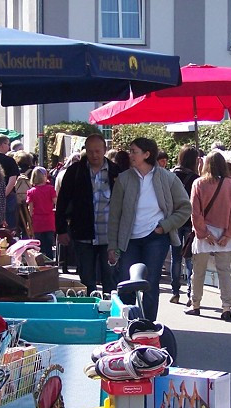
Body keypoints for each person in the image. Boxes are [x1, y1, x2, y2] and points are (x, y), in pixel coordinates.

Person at [107, 137, 191, 321]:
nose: (130, 155)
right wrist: (112, 246)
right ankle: (125, 325)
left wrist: (165, 226)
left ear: (147, 154)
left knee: (150, 283)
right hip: (129, 239)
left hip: (156, 237)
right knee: (126, 283)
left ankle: (147, 327)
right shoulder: (124, 179)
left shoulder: (167, 178)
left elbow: (186, 207)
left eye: (134, 151)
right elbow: (114, 215)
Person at [55, 134, 122, 294]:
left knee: (110, 277)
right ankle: (90, 308)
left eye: (98, 151)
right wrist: (61, 229)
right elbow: (62, 201)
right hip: (83, 233)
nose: (94, 155)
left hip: (110, 236)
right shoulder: (74, 171)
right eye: (90, 151)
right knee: (86, 278)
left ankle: (110, 311)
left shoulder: (116, 171)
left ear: (105, 150)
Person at [185, 151, 231, 321]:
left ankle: (196, 304)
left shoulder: (198, 183)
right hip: (224, 231)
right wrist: (228, 234)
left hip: (204, 233)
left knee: (198, 271)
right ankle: (226, 307)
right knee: (224, 271)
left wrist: (204, 233)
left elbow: (195, 212)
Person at [170, 145, 200, 304]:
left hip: (174, 220)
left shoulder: (171, 175)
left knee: (175, 258)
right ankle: (190, 293)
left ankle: (175, 292)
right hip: (189, 220)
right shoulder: (196, 178)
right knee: (189, 258)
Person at [27, 167, 57, 258]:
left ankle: (40, 262)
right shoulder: (51, 189)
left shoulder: (31, 191)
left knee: (38, 245)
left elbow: (30, 209)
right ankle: (50, 263)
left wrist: (29, 222)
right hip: (49, 219)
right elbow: (56, 203)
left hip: (37, 221)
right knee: (49, 245)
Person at [0, 134, 21, 230]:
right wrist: (4, 194)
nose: (9, 147)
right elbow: (12, 180)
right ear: (2, 145)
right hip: (7, 196)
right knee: (9, 226)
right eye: (7, 144)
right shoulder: (9, 161)